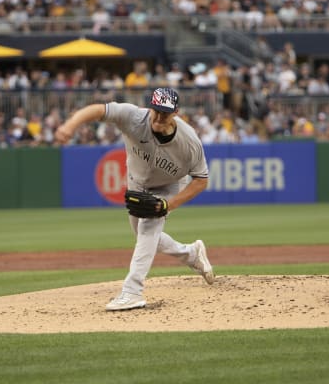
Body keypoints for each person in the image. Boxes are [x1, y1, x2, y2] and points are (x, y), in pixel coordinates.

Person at [54, 87, 214, 311]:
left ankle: (132, 292)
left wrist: (168, 205)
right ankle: (191, 253)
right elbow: (98, 110)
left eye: (165, 113)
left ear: (176, 113)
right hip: (136, 183)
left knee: (149, 229)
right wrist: (69, 125)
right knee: (144, 236)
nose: (158, 117)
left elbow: (201, 180)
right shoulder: (134, 117)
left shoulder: (189, 142)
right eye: (156, 110)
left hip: (169, 185)